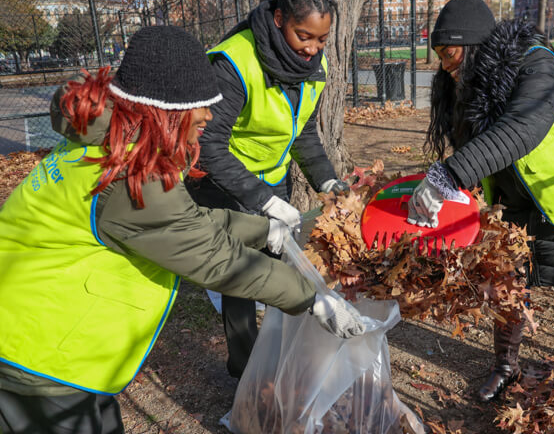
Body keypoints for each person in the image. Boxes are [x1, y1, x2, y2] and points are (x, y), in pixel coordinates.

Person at [0, 25, 364, 433]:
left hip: (37, 334)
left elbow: (186, 222)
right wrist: (311, 298)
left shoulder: (113, 143)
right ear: (166, 111)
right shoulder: (128, 176)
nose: (209, 115)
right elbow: (214, 258)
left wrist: (263, 232)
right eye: (201, 105)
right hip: (36, 356)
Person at [407, 0, 554, 402]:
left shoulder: (536, 63)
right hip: (516, 199)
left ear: (475, 45)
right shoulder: (466, 86)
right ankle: (505, 367)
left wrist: (449, 176)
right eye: (440, 55)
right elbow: (475, 150)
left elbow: (521, 129)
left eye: (450, 53)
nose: (445, 65)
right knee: (508, 279)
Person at [185, 0, 348, 381]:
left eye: (321, 39)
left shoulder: (316, 67)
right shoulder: (234, 63)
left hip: (273, 185)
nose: (313, 49)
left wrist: (326, 179)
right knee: (239, 279)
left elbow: (303, 131)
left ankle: (284, 362)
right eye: (303, 35)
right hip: (227, 187)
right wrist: (261, 199)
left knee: (278, 268)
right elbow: (207, 144)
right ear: (277, 19)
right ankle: (246, 373)